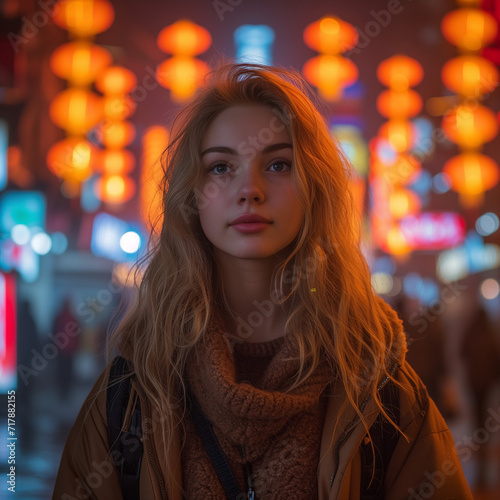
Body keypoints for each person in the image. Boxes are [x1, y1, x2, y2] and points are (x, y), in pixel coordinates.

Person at [53, 64, 472, 499]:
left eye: (277, 164)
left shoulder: (378, 389)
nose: (249, 188)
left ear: (314, 186)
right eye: (220, 167)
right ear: (191, 195)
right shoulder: (134, 393)